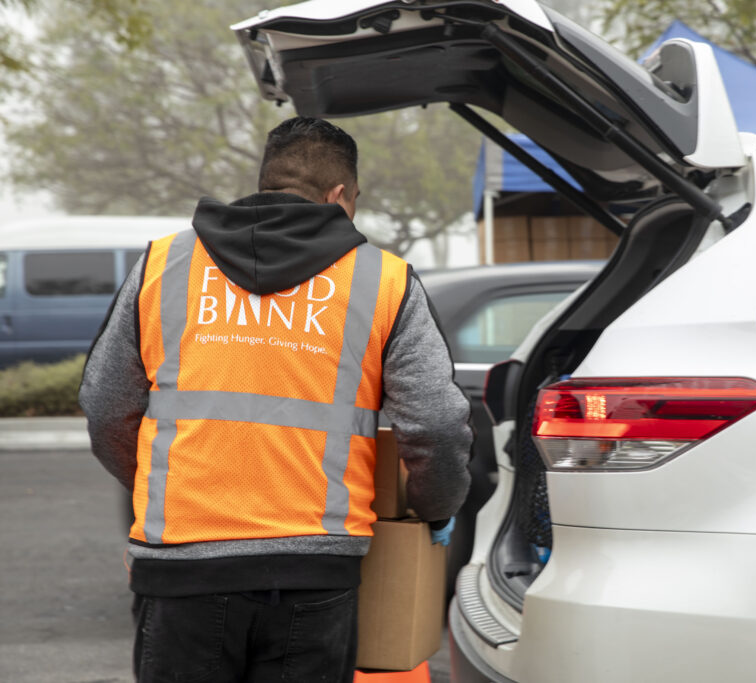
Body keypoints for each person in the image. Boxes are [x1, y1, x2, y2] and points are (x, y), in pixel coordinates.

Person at [79, 116, 472, 682]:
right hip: (314, 573)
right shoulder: (384, 281)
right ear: (339, 195)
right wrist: (437, 508)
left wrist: (163, 488)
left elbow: (105, 405)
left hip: (183, 568)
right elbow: (434, 422)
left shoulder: (164, 264)